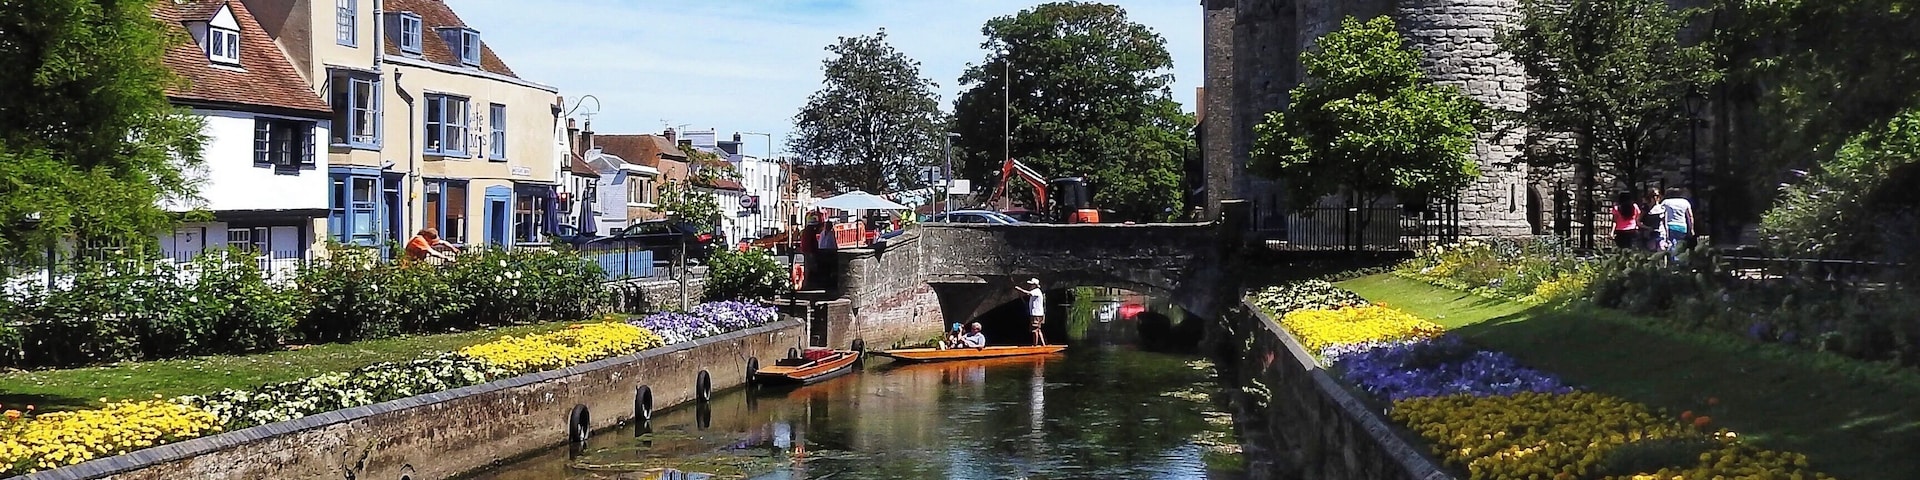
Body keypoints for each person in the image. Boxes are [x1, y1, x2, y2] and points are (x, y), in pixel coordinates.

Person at [1649, 187, 1695, 263]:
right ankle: (1679, 261)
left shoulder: (1665, 202)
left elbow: (1660, 214)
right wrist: (1691, 228)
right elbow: (1690, 216)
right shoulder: (1685, 202)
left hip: (1669, 226)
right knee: (1679, 245)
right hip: (1682, 227)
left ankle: (1673, 262)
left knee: (1670, 244)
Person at [1014, 278, 1048, 346]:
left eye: (1031, 284)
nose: (1030, 285)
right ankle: (1044, 345)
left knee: (1034, 330)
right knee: (1038, 329)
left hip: (1036, 315)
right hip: (1039, 314)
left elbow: (1028, 293)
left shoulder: (1036, 291)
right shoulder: (1037, 291)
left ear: (1035, 285)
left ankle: (1035, 345)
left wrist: (1019, 289)